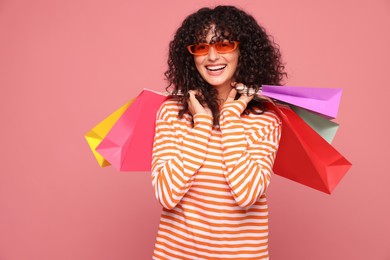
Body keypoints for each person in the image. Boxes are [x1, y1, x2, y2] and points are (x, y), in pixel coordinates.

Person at [151, 5, 286, 260]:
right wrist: (202, 124)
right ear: (191, 56)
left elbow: (246, 194)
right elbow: (167, 195)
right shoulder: (171, 112)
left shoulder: (266, 120)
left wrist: (230, 118)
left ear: (242, 51)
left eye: (223, 45)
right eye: (201, 47)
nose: (212, 56)